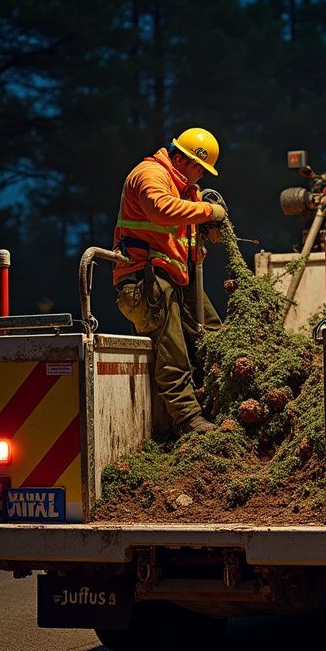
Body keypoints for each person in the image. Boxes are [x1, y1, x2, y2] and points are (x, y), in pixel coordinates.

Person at [113, 128, 227, 435]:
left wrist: (195, 250)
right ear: (179, 158)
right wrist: (208, 211)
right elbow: (162, 211)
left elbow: (171, 234)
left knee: (214, 334)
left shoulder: (184, 188)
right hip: (144, 278)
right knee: (172, 349)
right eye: (198, 168)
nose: (201, 177)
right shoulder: (149, 174)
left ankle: (225, 397)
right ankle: (189, 420)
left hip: (173, 275)